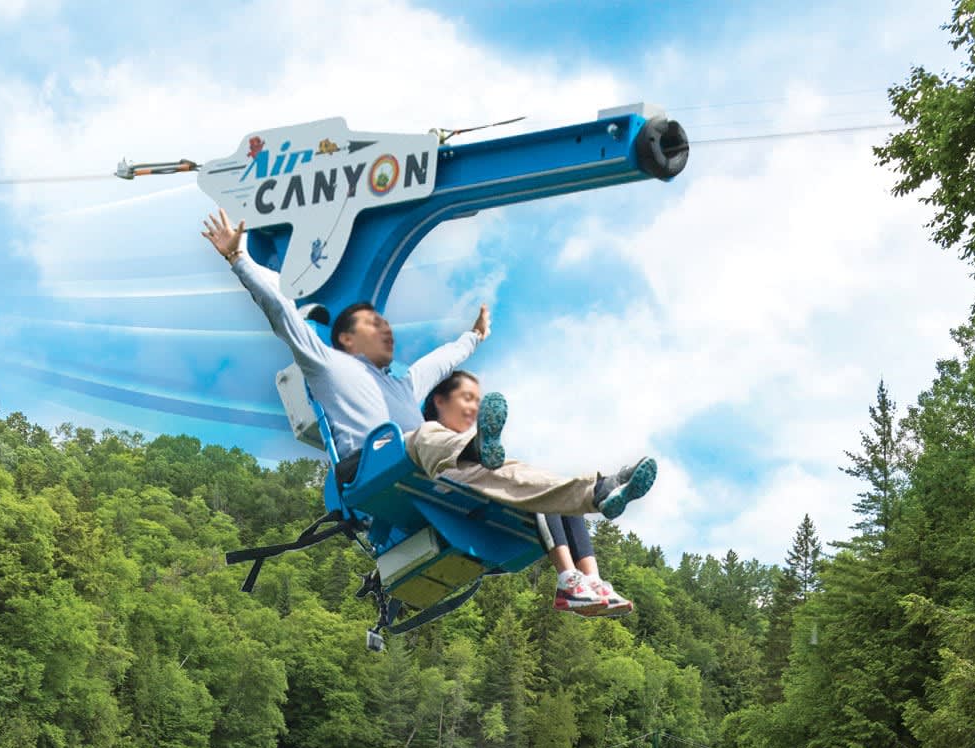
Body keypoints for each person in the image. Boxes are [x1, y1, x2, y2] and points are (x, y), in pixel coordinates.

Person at [202, 208, 657, 519]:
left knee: (505, 473)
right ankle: (475, 448)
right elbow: (280, 311)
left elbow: (441, 362)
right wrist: (238, 259)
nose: (386, 329)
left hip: (423, 459)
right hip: (370, 466)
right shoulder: (325, 364)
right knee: (427, 434)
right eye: (372, 324)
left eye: (386, 324)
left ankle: (598, 492)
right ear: (345, 338)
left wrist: (474, 337)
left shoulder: (400, 385)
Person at [422, 371, 634, 617]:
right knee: (538, 492)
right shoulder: (425, 435)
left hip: (482, 484)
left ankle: (593, 580)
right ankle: (568, 578)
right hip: (450, 486)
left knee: (556, 495)